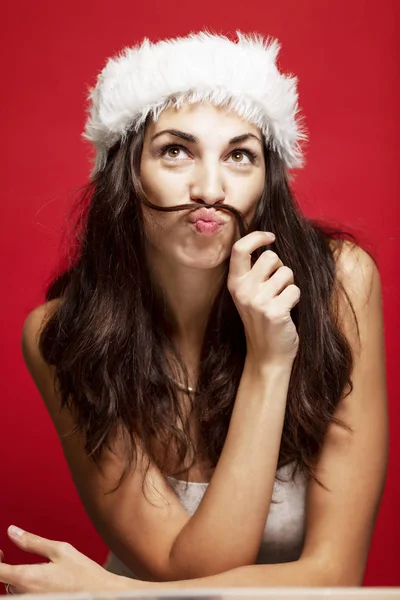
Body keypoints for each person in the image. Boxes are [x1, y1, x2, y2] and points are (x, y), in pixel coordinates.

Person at [1, 30, 389, 595]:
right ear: (125, 172)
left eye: (239, 155)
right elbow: (191, 568)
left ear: (267, 181)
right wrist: (266, 366)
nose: (209, 188)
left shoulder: (339, 286)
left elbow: (335, 576)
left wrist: (120, 593)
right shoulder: (63, 335)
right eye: (175, 150)